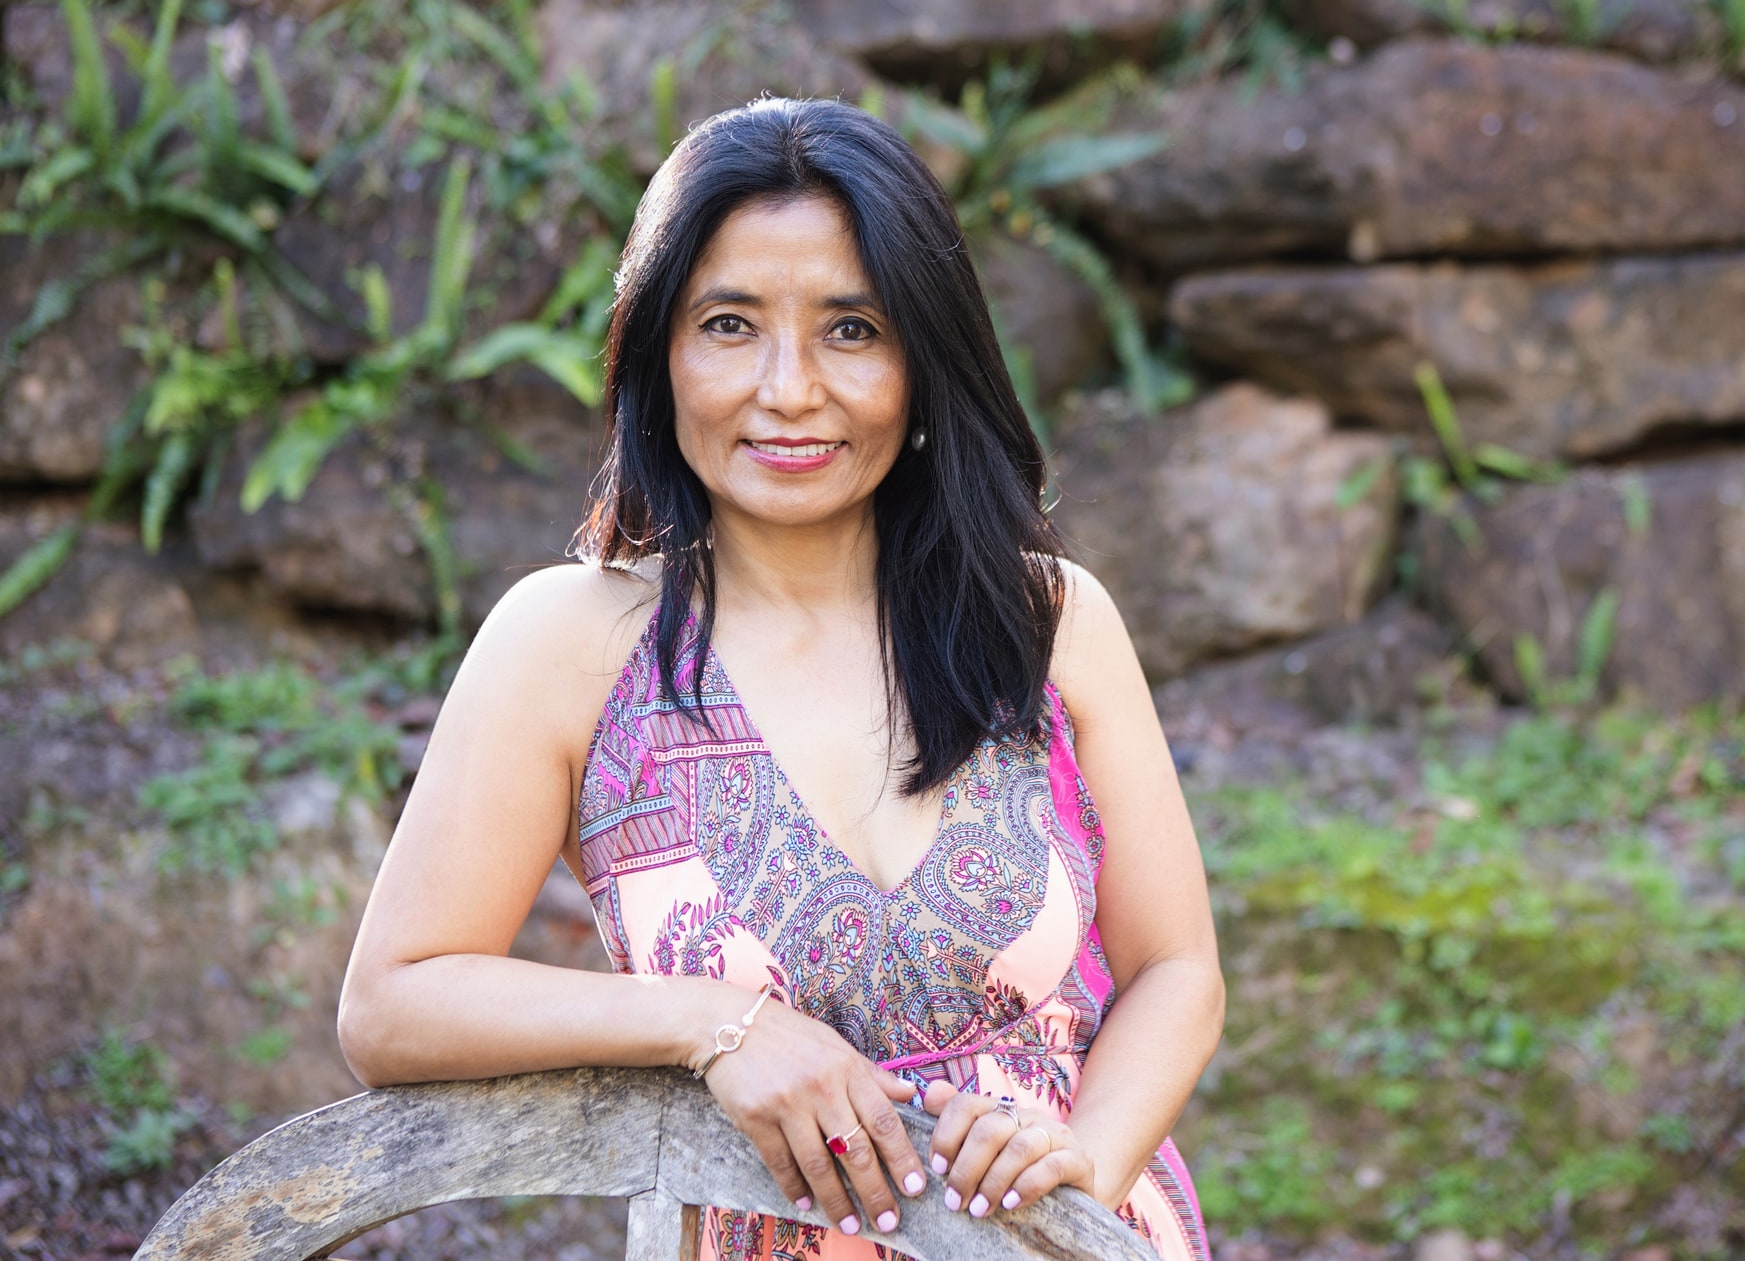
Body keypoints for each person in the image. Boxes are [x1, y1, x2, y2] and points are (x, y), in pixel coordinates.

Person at [337, 96, 1224, 1260]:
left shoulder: (1043, 620)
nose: (789, 387)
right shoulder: (572, 645)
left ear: (921, 359)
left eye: (851, 328)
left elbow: (1176, 970)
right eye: (729, 324)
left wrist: (1080, 1166)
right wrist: (715, 1023)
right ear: (659, 352)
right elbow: (394, 1003)